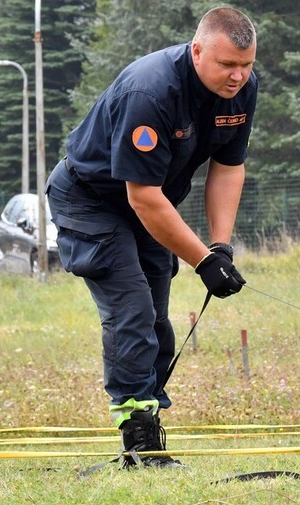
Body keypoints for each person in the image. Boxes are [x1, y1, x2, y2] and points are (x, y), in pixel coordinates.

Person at [46, 6, 257, 469]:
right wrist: (203, 262)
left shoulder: (242, 91)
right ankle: (138, 442)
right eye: (226, 65)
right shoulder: (152, 90)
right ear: (197, 50)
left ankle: (148, 426)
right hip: (92, 201)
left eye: (246, 65)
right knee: (132, 310)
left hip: (150, 204)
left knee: (157, 319)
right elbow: (141, 197)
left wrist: (219, 247)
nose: (238, 76)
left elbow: (228, 167)